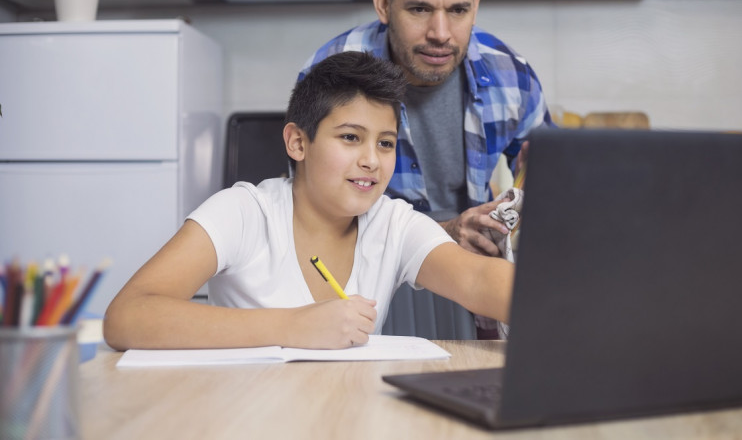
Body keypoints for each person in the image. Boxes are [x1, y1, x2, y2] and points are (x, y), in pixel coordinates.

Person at [103, 52, 513, 351]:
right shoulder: (243, 212)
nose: (371, 160)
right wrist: (292, 326)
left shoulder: (393, 223)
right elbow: (127, 316)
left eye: (385, 143)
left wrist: (567, 304)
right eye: (351, 137)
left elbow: (478, 280)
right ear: (298, 142)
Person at [298, 0, 554, 258]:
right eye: (420, 9)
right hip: (366, 267)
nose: (440, 33)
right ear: (384, 5)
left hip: (471, 268)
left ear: (475, 6)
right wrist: (444, 232)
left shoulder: (511, 76)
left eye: (458, 10)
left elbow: (550, 181)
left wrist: (539, 178)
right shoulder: (331, 76)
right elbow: (315, 215)